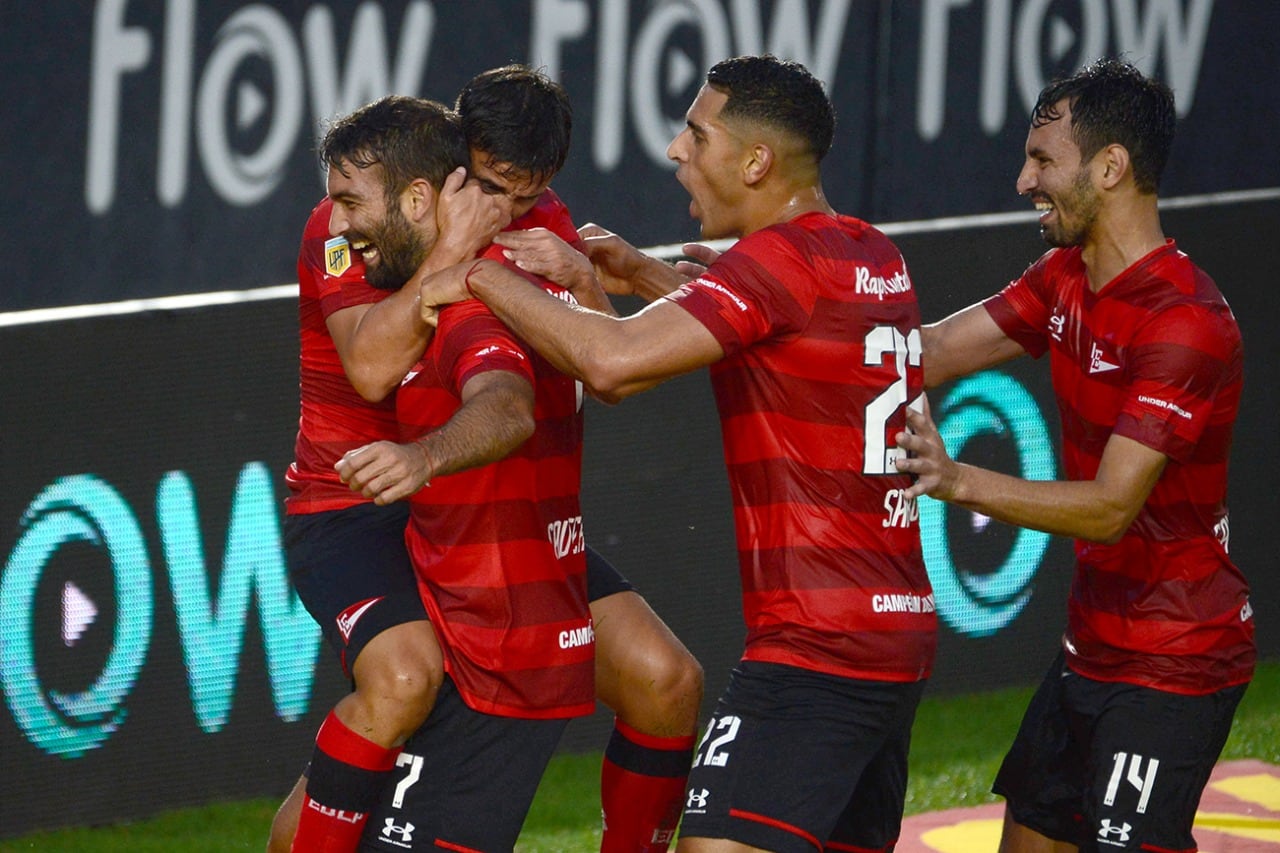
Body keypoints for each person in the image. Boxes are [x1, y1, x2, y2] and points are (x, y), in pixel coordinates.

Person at [418, 54, 938, 853]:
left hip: (813, 648)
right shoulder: (872, 254)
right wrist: (637, 273)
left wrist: (478, 271)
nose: (675, 150)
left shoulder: (774, 260)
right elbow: (783, 340)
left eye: (697, 133)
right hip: (897, 634)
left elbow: (614, 364)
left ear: (755, 160)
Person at [271, 68, 703, 852]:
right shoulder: (353, 222)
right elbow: (370, 368)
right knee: (405, 677)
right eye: (492, 185)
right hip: (355, 504)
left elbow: (608, 372)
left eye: (526, 193)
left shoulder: (542, 222)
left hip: (477, 502)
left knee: (665, 680)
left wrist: (582, 279)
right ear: (453, 152)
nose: (505, 208)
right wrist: (461, 253)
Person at [893, 58, 1254, 852]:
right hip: (1089, 645)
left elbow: (1109, 506)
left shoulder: (1185, 321)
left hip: (1176, 661)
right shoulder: (1063, 276)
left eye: (1043, 159)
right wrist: (738, 310)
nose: (1024, 179)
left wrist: (956, 479)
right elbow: (930, 350)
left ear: (1111, 166)